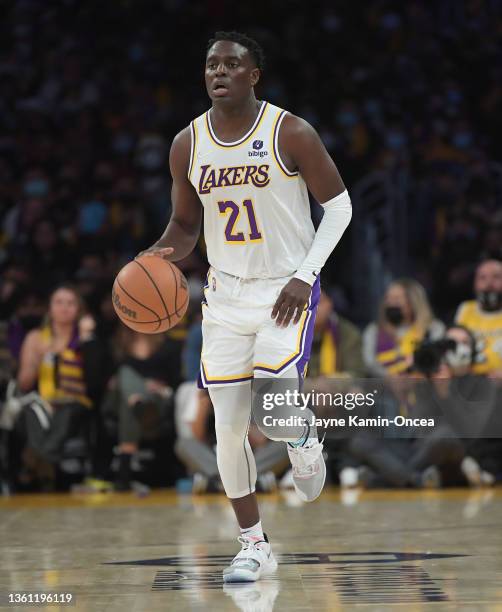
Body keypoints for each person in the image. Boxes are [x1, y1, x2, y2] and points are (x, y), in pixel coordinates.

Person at [138, 31, 351, 582]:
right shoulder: (187, 144)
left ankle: (304, 438)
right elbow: (186, 225)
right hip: (225, 295)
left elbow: (341, 206)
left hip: (284, 290)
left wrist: (308, 276)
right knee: (227, 430)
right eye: (212, 64)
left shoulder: (290, 131)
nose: (220, 72)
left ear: (253, 75)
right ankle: (254, 545)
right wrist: (158, 255)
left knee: (273, 415)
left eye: (232, 64)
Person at [15, 285, 101, 489]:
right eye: (59, 302)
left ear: (78, 309)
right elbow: (24, 383)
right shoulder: (36, 338)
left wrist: (87, 337)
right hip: (44, 401)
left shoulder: (85, 337)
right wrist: (36, 361)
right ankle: (46, 463)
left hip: (76, 401)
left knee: (67, 413)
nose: (64, 308)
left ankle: (33, 461)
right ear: (50, 308)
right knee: (31, 412)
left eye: (70, 303)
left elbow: (97, 379)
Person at [362, 278, 444, 377]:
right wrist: (391, 376)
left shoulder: (433, 328)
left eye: (397, 299)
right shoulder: (374, 330)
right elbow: (369, 364)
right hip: (385, 387)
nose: (390, 303)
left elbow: (439, 360)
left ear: (413, 302)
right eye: (388, 298)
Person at [455, 259, 502, 379]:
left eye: (496, 277)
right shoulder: (465, 310)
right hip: (470, 384)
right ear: (475, 283)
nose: (489, 283)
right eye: (482, 278)